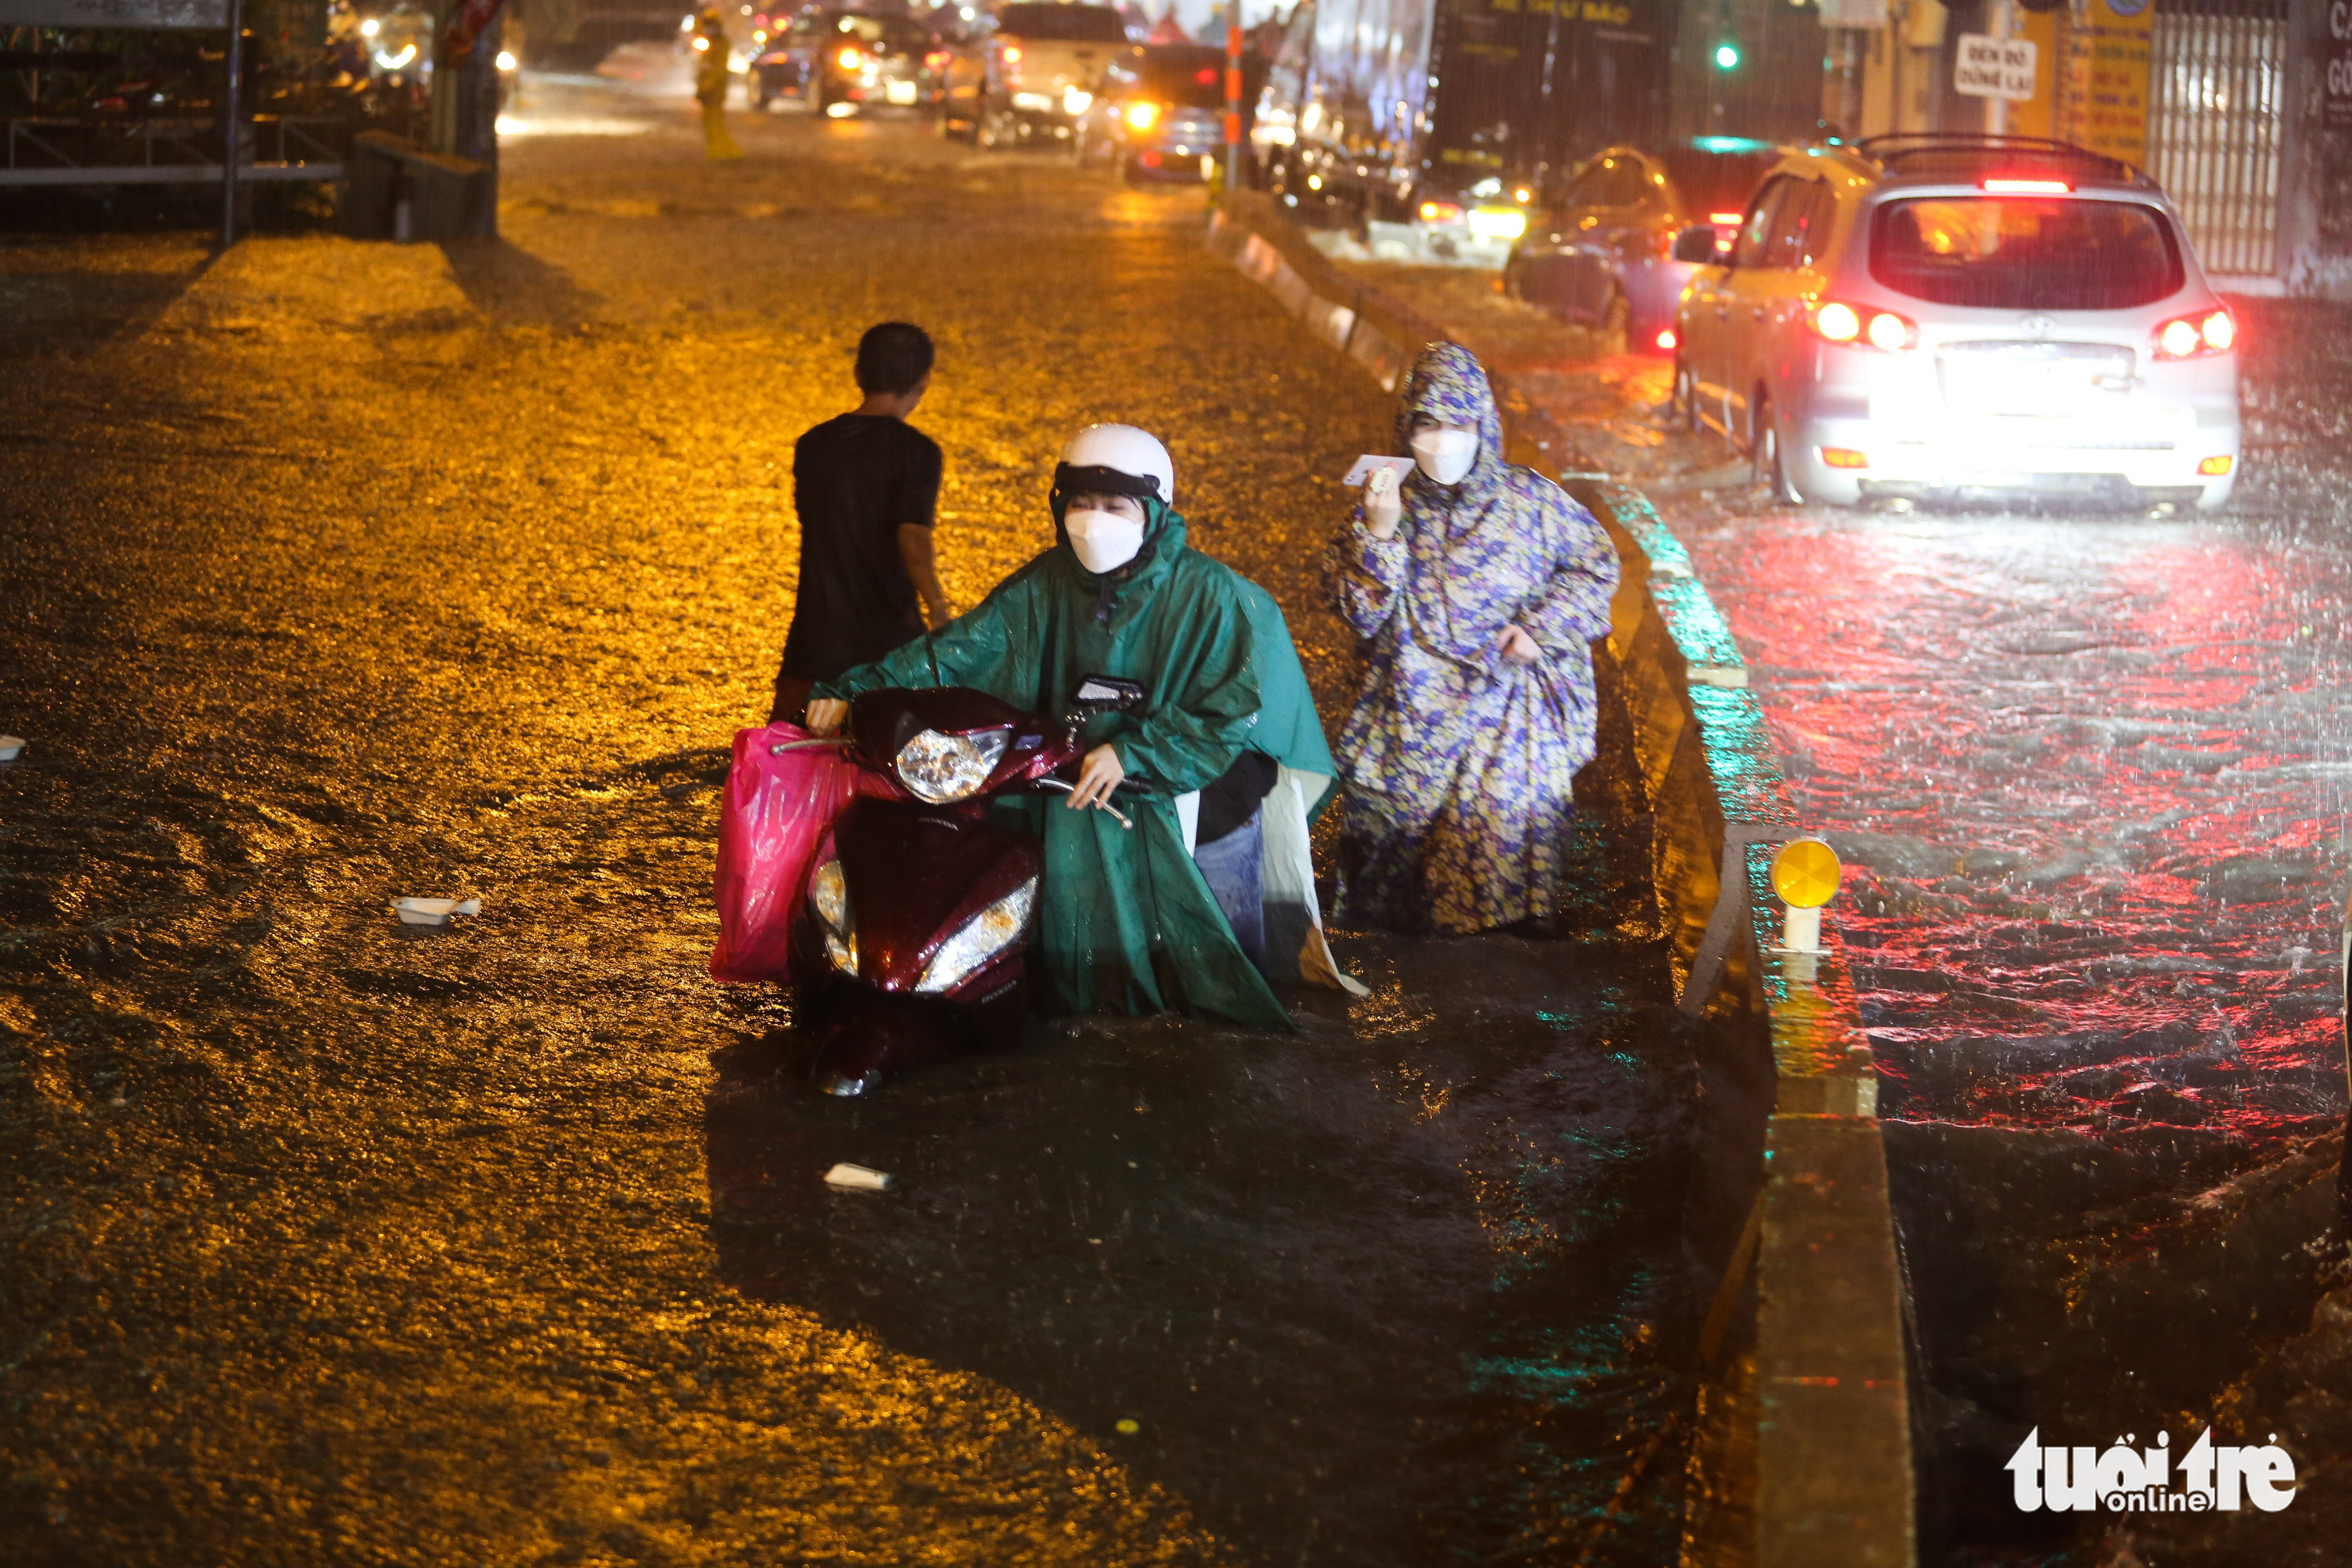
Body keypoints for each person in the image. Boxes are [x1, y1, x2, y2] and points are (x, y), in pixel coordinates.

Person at [804, 424, 1304, 1030]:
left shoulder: (1210, 596)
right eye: (1080, 503)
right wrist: (855, 689)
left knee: (1213, 979)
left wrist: (1136, 754)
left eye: (1115, 505)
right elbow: (958, 651)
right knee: (1077, 976)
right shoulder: (1046, 584)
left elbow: (1226, 712)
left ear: (1153, 510)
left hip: (1202, 803)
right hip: (1078, 795)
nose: (1094, 521)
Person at [1325, 341, 1621, 934]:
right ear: (1404, 426)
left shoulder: (1532, 504)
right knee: (1389, 874)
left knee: (1499, 854)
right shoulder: (1388, 507)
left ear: (1484, 424)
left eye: (1457, 423)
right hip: (1409, 711)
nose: (1441, 440)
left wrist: (1541, 629)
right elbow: (1359, 617)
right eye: (1426, 423)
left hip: (1507, 707)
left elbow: (1598, 567)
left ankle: (1502, 971)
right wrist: (1379, 537)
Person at [769, 322, 953, 724]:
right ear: (923, 381)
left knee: (786, 765)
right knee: (897, 771)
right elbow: (913, 535)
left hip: (812, 650)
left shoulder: (813, 445)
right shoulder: (918, 453)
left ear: (859, 374)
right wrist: (938, 608)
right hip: (888, 658)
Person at [694, 7, 743, 162]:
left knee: (715, 121)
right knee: (710, 121)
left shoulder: (721, 44)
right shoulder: (711, 42)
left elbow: (718, 69)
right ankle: (718, 149)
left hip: (715, 89)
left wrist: (708, 85)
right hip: (709, 87)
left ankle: (722, 150)